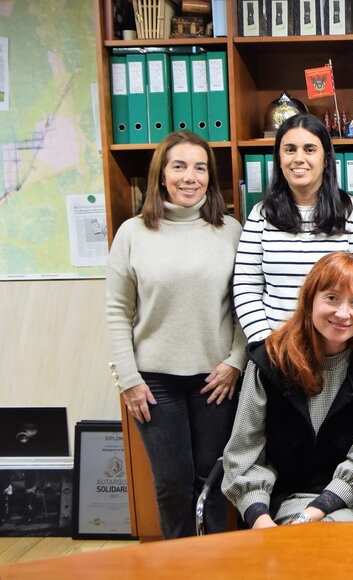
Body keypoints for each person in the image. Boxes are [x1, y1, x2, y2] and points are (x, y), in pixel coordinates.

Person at [106, 131, 244, 538]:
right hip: (154, 384)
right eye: (179, 166)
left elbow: (244, 304)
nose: (190, 177)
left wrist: (236, 361)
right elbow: (117, 312)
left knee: (215, 484)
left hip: (215, 381)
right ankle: (178, 565)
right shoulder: (132, 234)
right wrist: (128, 380)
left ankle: (215, 566)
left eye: (200, 168)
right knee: (171, 486)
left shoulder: (230, 230)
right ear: (161, 175)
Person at [222, 252, 353, 526]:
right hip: (281, 503)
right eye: (331, 298)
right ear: (310, 300)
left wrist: (312, 515)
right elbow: (245, 453)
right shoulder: (269, 362)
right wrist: (260, 519)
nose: (343, 313)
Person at [234, 113, 353, 343]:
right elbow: (246, 287)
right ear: (279, 158)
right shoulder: (260, 215)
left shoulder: (352, 212)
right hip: (274, 348)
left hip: (336, 350)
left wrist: (337, 345)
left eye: (309, 149)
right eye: (290, 149)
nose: (299, 158)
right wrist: (265, 345)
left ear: (326, 159)